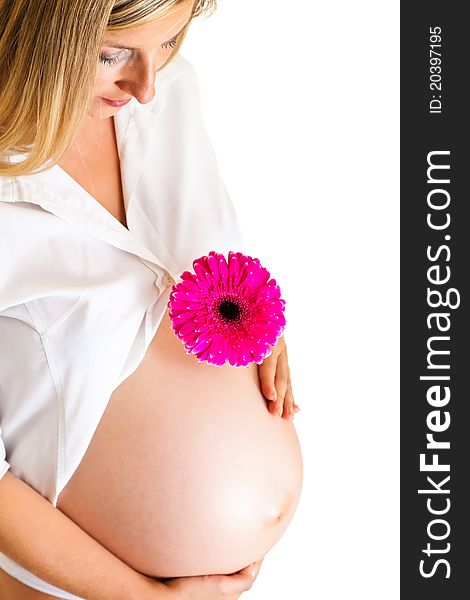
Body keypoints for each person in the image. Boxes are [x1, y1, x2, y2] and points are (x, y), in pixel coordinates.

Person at [0, 1, 301, 598]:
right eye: (112, 54)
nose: (146, 85)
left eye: (167, 42)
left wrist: (256, 324)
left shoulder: (169, 91)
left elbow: (204, 255)